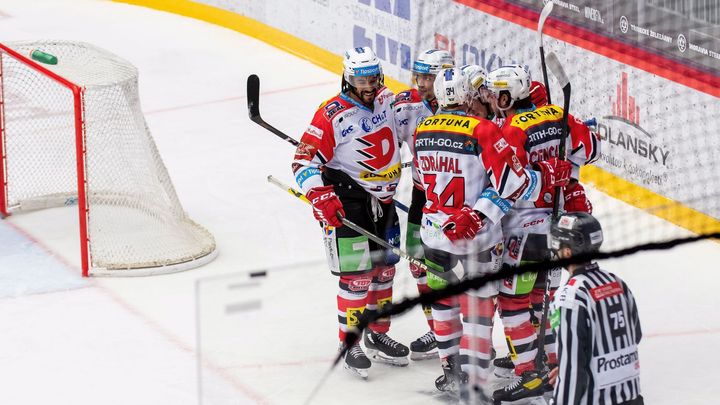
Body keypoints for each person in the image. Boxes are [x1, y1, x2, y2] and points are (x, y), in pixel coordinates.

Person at [412, 66, 572, 399]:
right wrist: (544, 175)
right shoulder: (483, 130)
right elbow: (513, 184)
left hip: (433, 234)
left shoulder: (422, 129)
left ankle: (451, 372)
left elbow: (422, 179)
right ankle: (474, 382)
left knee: (444, 305)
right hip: (478, 239)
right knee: (479, 312)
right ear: (467, 96)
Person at [484, 65, 601, 403]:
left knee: (513, 302)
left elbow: (511, 184)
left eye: (495, 93)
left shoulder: (509, 129)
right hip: (559, 227)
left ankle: (529, 375)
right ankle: (551, 365)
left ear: (508, 96)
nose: (492, 99)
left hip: (524, 230)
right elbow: (591, 149)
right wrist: (566, 172)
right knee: (540, 298)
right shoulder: (559, 115)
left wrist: (542, 172)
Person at [291, 46, 407, 379]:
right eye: (359, 78)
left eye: (371, 76)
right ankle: (350, 342)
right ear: (347, 77)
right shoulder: (331, 114)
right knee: (357, 277)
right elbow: (302, 161)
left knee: (384, 271)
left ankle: (378, 333)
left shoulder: (387, 98)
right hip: (348, 203)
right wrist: (319, 194)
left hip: (384, 201)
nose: (366, 84)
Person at [393, 49, 455, 361]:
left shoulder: (464, 104)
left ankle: (467, 336)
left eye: (429, 77)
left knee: (462, 271)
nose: (422, 82)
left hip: (462, 203)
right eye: (419, 75)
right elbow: (378, 134)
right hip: (423, 197)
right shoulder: (407, 106)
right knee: (419, 265)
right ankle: (440, 330)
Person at [548, 212, 643, 405]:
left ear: (567, 253)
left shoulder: (568, 297)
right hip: (632, 397)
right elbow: (635, 335)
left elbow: (573, 369)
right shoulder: (617, 282)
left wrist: (568, 369)